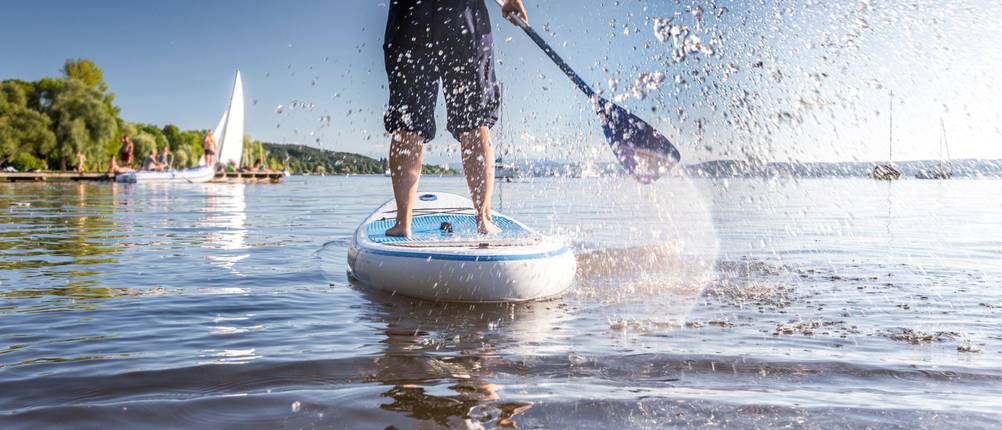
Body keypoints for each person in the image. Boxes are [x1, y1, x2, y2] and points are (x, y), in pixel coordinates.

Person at [382, 0, 528, 237]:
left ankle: (403, 223)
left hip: (411, 14)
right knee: (474, 119)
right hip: (462, 13)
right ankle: (483, 219)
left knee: (408, 119)